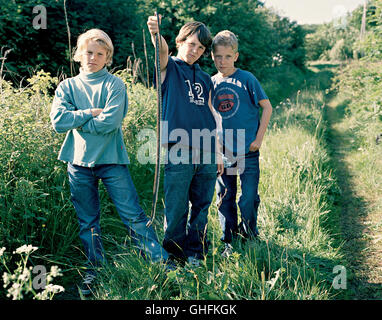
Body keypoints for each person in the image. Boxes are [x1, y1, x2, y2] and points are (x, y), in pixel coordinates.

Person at [49, 28, 169, 295]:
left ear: (107, 58)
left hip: (112, 160)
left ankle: (161, 263)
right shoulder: (67, 86)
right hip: (78, 163)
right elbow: (58, 122)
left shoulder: (115, 85)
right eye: (88, 52)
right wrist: (90, 112)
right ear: (79, 54)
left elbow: (110, 123)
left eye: (99, 54)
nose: (93, 57)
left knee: (133, 216)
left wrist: (77, 119)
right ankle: (95, 271)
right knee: (87, 221)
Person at [147, 16, 224, 267]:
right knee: (177, 207)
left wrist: (219, 153)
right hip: (178, 149)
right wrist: (156, 34)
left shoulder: (205, 78)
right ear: (180, 42)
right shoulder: (169, 69)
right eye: (191, 44)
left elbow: (214, 117)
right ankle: (173, 255)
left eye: (201, 48)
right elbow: (161, 53)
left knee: (202, 207)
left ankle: (196, 252)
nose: (195, 51)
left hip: (207, 152)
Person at [211, 30, 273, 257]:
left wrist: (259, 139)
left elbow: (267, 107)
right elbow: (210, 119)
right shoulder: (212, 83)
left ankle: (249, 234)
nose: (222, 61)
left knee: (247, 198)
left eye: (227, 56)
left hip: (248, 151)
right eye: (218, 56)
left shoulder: (247, 79)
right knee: (225, 197)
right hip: (224, 153)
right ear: (212, 57)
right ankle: (228, 241)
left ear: (236, 56)